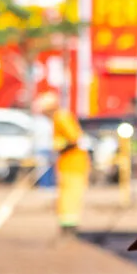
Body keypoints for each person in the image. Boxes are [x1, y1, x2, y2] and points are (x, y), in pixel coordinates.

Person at [44, 90, 88, 239]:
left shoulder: (61, 117)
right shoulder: (59, 117)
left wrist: (60, 146)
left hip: (73, 164)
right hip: (67, 163)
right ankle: (67, 222)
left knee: (71, 194)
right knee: (67, 194)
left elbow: (74, 138)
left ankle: (69, 224)